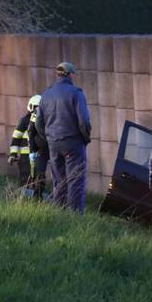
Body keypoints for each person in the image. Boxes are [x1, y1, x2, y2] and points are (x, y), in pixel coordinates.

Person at [35, 62, 91, 213]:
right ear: (70, 74)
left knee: (58, 180)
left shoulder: (46, 94)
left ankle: (59, 213)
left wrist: (48, 138)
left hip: (53, 143)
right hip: (73, 143)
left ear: (58, 74)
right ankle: (74, 216)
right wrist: (85, 138)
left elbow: (38, 122)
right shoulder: (76, 93)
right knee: (75, 180)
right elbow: (84, 121)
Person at [26, 94, 49, 199]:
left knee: (39, 173)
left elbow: (31, 134)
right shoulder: (49, 112)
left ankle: (37, 197)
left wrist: (32, 152)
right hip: (50, 146)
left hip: (40, 149)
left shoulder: (35, 115)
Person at [7, 97, 33, 185]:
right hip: (25, 156)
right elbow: (16, 139)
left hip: (38, 155)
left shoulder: (44, 121)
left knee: (38, 176)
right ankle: (25, 196)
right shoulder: (24, 121)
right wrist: (13, 154)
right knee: (25, 177)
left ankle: (36, 196)